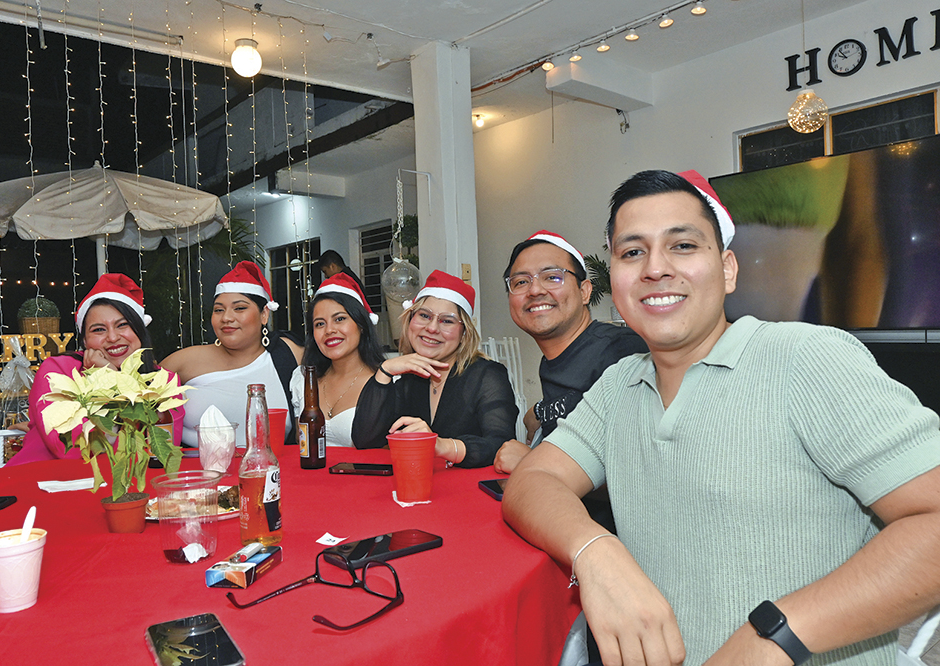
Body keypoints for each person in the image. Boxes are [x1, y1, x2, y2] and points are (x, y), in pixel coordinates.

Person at [502, 169, 940, 666]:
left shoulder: (805, 358)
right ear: (615, 283)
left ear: (728, 269)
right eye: (633, 252)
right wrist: (596, 551)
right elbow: (532, 480)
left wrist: (774, 636)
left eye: (683, 246)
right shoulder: (619, 384)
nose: (656, 268)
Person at [493, 230, 647, 474]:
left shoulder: (622, 352)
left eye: (552, 277)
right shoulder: (552, 361)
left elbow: (640, 471)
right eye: (521, 282)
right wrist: (541, 410)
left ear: (584, 291)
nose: (535, 290)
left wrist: (533, 461)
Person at [8, 274, 185, 465]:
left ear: (140, 330)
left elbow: (160, 452)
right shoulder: (58, 370)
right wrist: (109, 381)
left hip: (126, 481)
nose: (113, 337)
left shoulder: (164, 381)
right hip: (42, 474)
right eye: (99, 329)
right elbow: (68, 447)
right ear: (85, 341)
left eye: (122, 325)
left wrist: (113, 378)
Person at [352, 270, 518, 467]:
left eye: (447, 321)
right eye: (424, 315)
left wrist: (441, 446)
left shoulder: (487, 375)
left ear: (464, 333)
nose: (432, 328)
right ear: (410, 320)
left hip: (470, 485)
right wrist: (385, 370)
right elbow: (365, 440)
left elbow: (503, 446)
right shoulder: (409, 379)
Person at [163, 261, 303, 448]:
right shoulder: (184, 361)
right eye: (218, 310)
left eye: (239, 308)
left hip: (272, 465)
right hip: (200, 466)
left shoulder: (289, 353)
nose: (226, 318)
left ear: (264, 314)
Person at [290, 273, 385, 447]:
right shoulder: (303, 379)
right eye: (320, 324)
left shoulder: (386, 381)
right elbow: (301, 446)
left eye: (339, 319)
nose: (329, 330)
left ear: (361, 325)